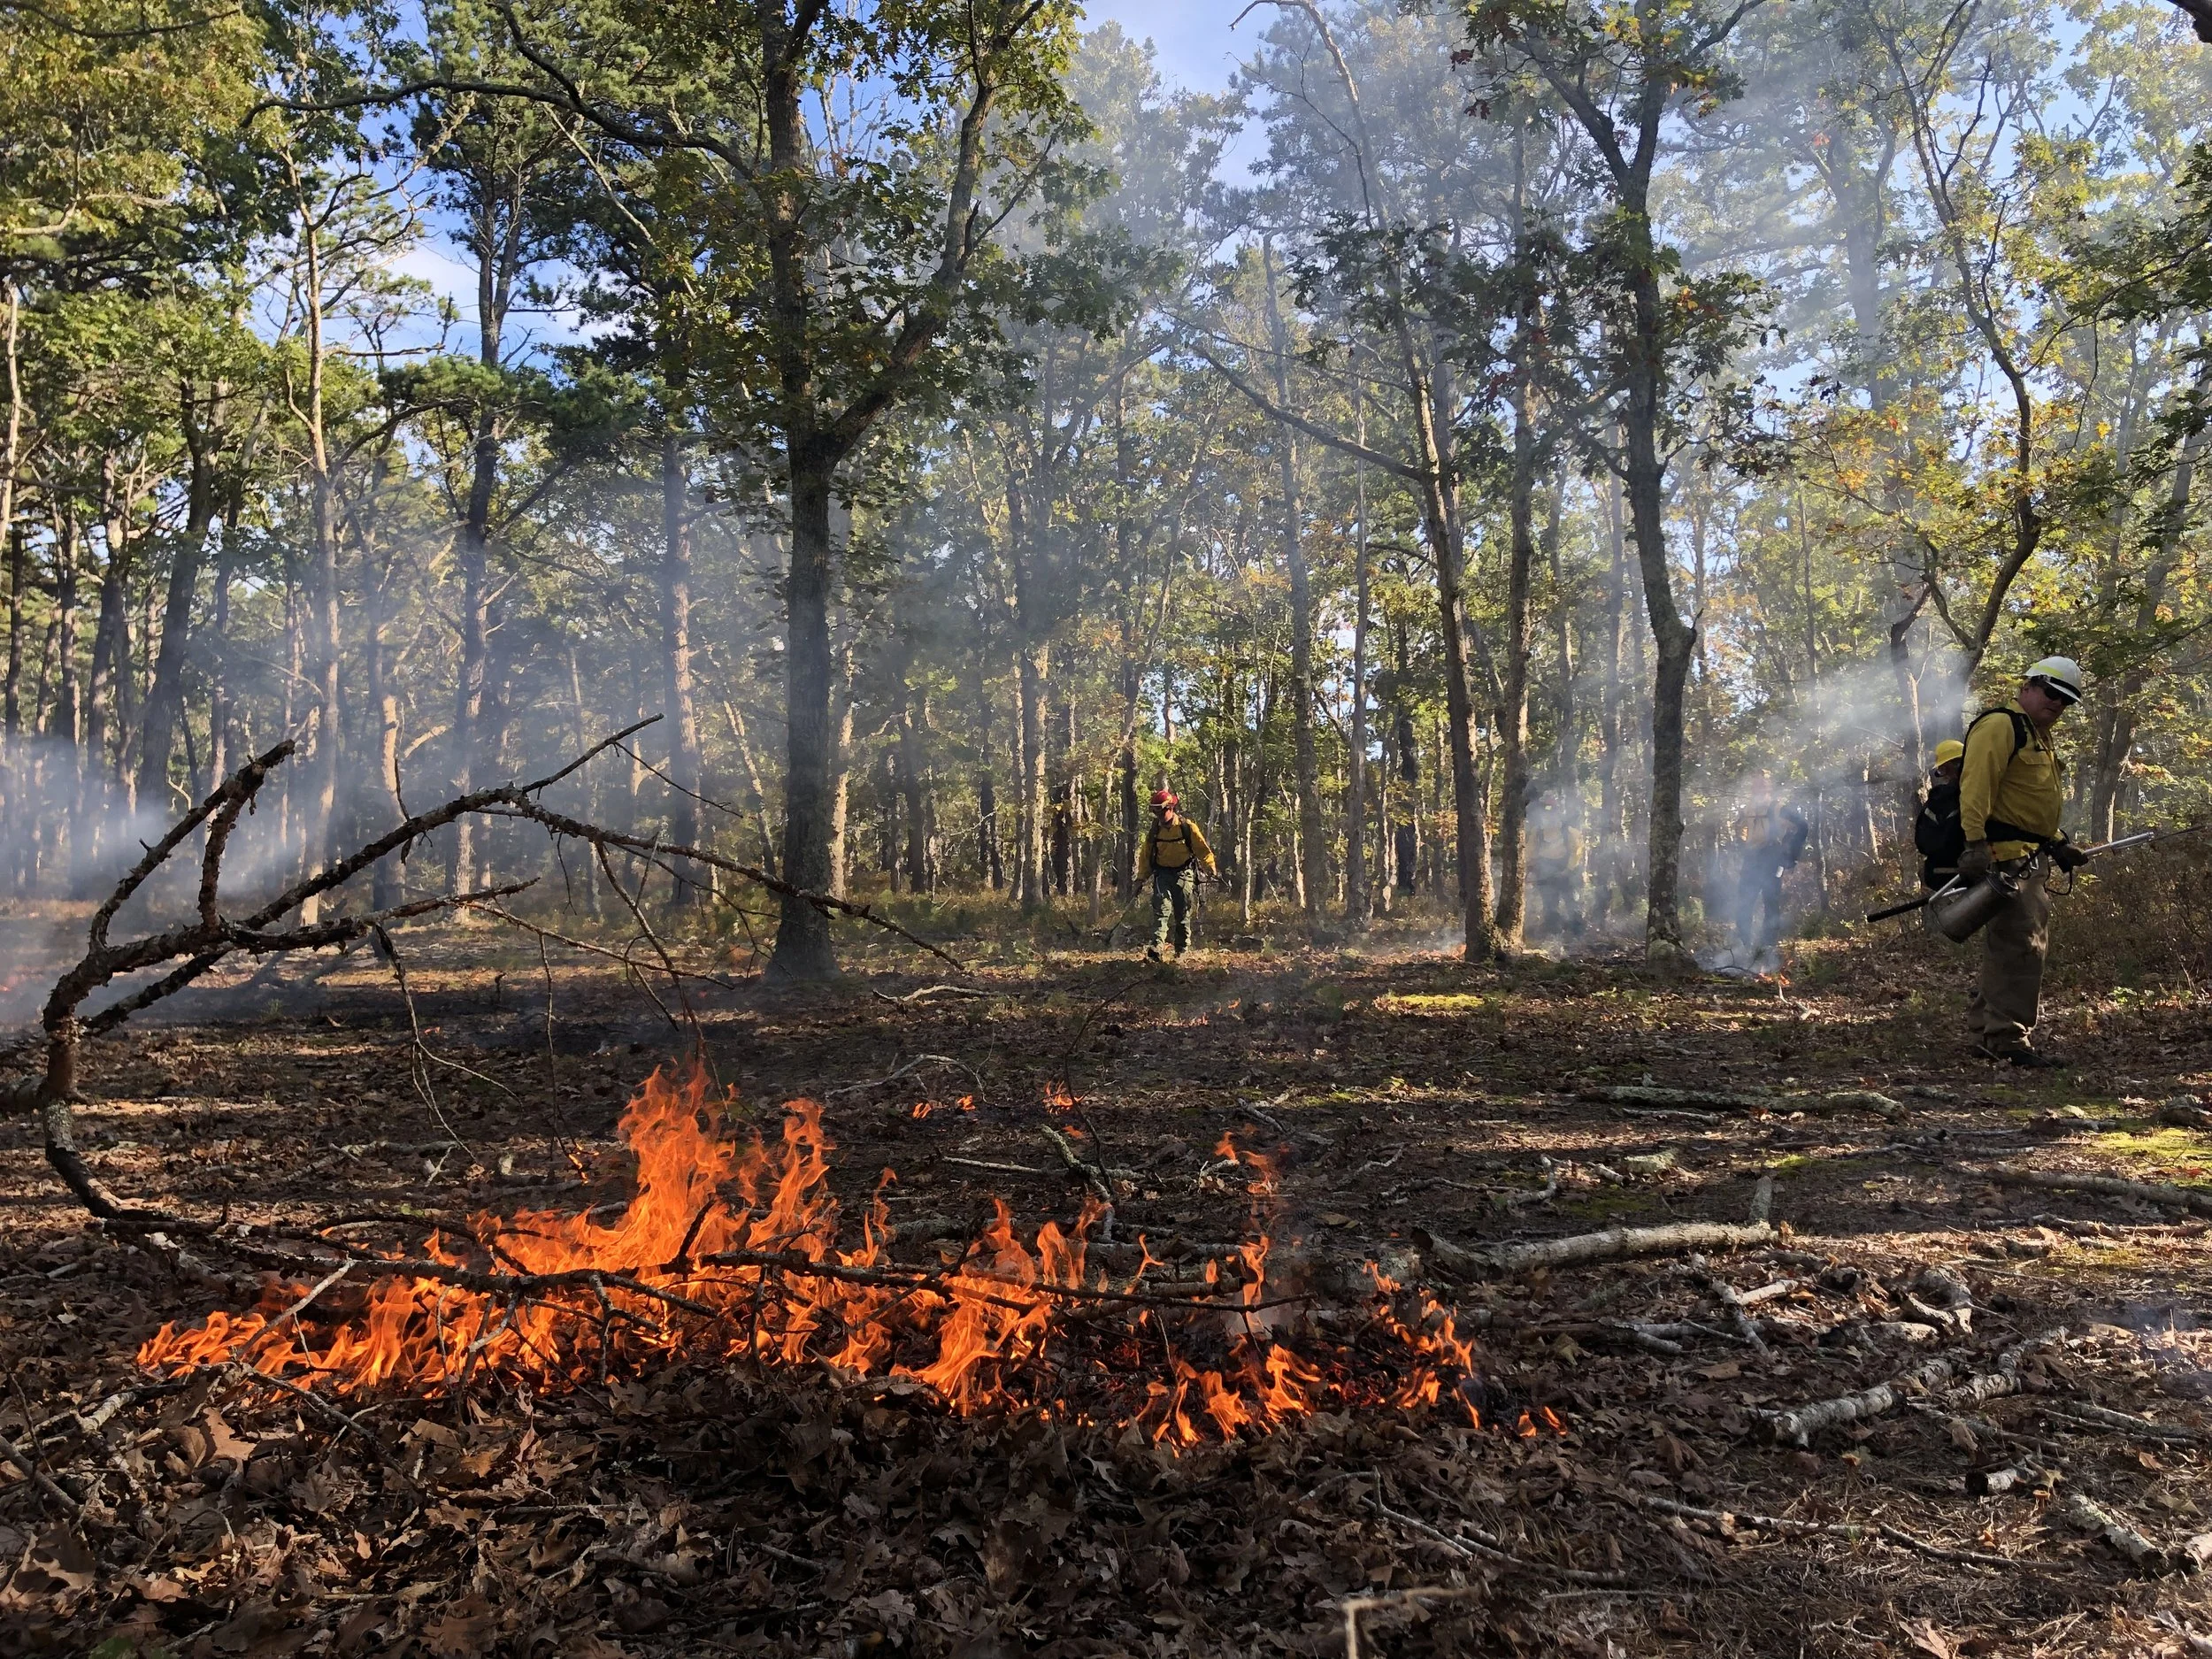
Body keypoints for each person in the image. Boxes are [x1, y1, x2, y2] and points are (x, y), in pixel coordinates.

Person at [1957, 656, 2090, 1067]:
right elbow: (1975, 785)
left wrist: (2055, 843)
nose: (2057, 705)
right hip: (2006, 859)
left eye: (2065, 701)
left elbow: (2026, 804)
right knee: (2024, 947)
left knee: (2009, 947)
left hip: (2030, 855)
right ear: (2029, 686)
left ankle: (1987, 1032)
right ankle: (2008, 1040)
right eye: (2052, 694)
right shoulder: (2001, 725)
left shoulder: (2038, 734)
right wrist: (1975, 843)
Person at [1732, 774, 1810, 958]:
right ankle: (1743, 947)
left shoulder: (1778, 808)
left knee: (1771, 903)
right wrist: (1744, 846)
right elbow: (1740, 830)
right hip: (1751, 860)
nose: (1758, 789)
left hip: (1772, 858)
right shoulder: (1747, 810)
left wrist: (1791, 854)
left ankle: (1768, 949)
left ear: (1769, 788)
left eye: (1763, 785)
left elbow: (1802, 825)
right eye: (1756, 785)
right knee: (1744, 902)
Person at [1137, 788, 1216, 962]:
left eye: (1162, 810)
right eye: (1155, 811)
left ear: (1171, 808)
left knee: (1182, 912)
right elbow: (1146, 855)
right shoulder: (1155, 831)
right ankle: (1157, 947)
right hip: (1162, 874)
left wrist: (1210, 867)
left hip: (1184, 873)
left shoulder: (1187, 828)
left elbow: (1203, 851)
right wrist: (1141, 878)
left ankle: (1181, 950)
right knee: (1161, 909)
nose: (1159, 815)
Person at [1913, 739, 1966, 890]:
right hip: (1956, 875)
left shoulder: (1943, 799)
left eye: (1944, 770)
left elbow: (1924, 843)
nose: (1945, 776)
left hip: (1950, 876)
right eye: (1941, 771)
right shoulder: (1943, 799)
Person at [1530, 804, 1586, 941]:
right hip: (1545, 873)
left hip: (1568, 872)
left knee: (1572, 903)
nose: (1549, 818)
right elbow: (1530, 852)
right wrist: (1530, 870)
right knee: (1550, 905)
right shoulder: (1537, 833)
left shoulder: (1571, 833)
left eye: (1553, 814)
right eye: (1546, 815)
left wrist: (1567, 871)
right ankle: (1553, 936)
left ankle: (1577, 935)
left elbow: (1576, 853)